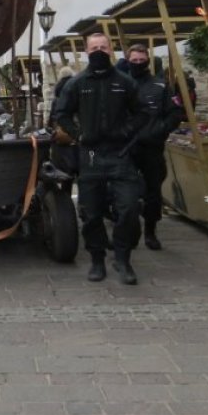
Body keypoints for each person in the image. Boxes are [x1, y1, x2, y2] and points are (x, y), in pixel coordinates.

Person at [54, 33, 144, 285]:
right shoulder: (77, 83)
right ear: (86, 52)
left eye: (103, 47)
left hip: (120, 154)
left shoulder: (125, 82)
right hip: (91, 155)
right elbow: (61, 113)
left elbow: (142, 113)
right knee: (91, 212)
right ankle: (96, 259)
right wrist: (78, 135)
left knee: (129, 208)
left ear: (111, 49)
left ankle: (123, 258)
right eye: (94, 48)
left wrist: (127, 132)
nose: (99, 51)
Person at [126, 44, 184, 250]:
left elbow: (176, 113)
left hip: (152, 147)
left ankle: (150, 231)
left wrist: (160, 129)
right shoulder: (123, 85)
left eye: (142, 61)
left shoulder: (160, 86)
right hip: (128, 149)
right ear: (128, 61)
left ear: (148, 62)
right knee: (126, 191)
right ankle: (128, 229)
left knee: (153, 192)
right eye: (134, 61)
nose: (138, 64)